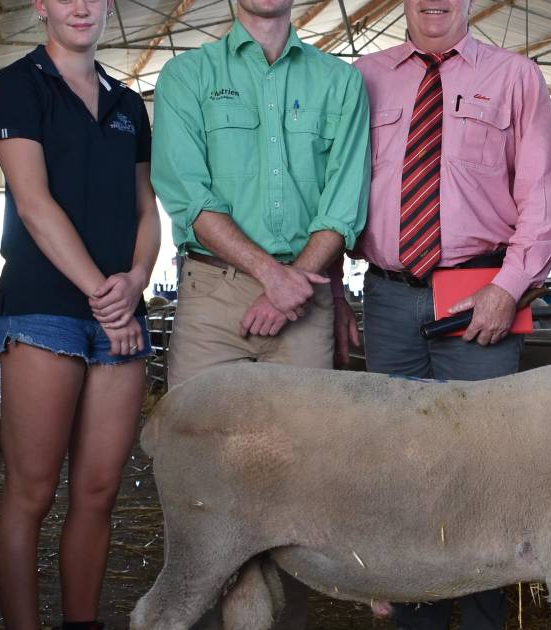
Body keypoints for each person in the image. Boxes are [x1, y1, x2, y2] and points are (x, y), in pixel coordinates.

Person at [346, 0, 551, 624]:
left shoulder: (515, 76)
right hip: (389, 293)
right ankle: (414, 613)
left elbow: (545, 198)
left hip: (481, 294)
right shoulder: (363, 77)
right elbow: (337, 187)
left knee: (481, 468)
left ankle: (480, 618)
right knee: (398, 463)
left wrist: (511, 285)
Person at [149, 0, 370, 624]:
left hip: (304, 296)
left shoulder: (339, 81)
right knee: (199, 472)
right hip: (216, 295)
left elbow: (344, 200)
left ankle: (279, 618)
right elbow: (186, 195)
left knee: (301, 476)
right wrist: (272, 276)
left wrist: (292, 282)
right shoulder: (186, 77)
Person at [0, 0, 160, 626]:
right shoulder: (17, 86)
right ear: (42, 6)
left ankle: (82, 622)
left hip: (118, 311)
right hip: (43, 307)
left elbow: (146, 207)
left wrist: (136, 280)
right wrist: (104, 292)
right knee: (31, 492)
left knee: (97, 492)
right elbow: (33, 204)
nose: (81, 7)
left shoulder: (129, 103)